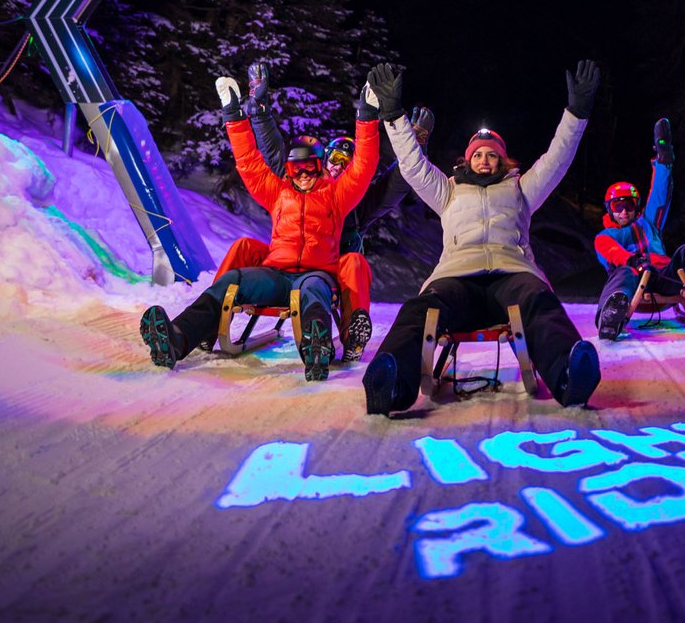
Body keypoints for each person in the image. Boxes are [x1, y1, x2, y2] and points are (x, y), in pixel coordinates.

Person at [360, 60, 603, 415]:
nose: (485, 160)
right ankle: (390, 381)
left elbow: (557, 160)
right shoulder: (448, 190)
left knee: (539, 299)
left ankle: (568, 371)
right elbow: (412, 166)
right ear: (467, 160)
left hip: (512, 275)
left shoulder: (520, 190)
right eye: (478, 155)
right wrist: (394, 116)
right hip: (457, 279)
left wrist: (577, 113)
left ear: (504, 161)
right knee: (421, 308)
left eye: (492, 155)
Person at [138, 73, 379, 380]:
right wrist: (233, 116)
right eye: (296, 167)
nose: (303, 173)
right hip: (276, 276)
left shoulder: (336, 195)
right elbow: (249, 162)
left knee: (314, 290)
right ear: (289, 169)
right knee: (233, 281)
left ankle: (316, 351)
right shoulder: (278, 192)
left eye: (310, 167)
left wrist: (367, 119)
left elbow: (363, 166)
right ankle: (177, 337)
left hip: (317, 275)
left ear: (320, 168)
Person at [212, 62, 434, 361]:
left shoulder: (354, 200)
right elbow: (273, 156)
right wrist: (260, 112)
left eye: (347, 159)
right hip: (285, 264)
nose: (339, 165)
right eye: (334, 158)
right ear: (321, 161)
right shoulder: (298, 184)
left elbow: (393, 187)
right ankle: (209, 317)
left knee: (353, 262)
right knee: (243, 247)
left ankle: (352, 333)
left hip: (330, 271)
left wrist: (414, 146)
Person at [593, 118, 685, 340]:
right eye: (618, 206)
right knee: (622, 271)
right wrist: (633, 260)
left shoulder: (647, 223)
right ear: (609, 209)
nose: (624, 212)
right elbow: (612, 253)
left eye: (629, 205)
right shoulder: (605, 236)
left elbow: (660, 194)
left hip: (664, 277)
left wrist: (664, 157)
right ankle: (610, 316)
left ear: (636, 207)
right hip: (632, 282)